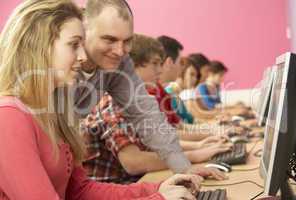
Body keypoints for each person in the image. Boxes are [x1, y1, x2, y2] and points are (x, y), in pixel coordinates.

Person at [0, 1, 202, 199]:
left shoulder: (58, 113)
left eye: (127, 41)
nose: (121, 51)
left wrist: (167, 184)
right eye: (74, 45)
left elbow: (79, 190)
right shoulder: (10, 116)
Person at [77, 0, 197, 174]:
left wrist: (185, 169)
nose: (119, 51)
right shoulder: (57, 64)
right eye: (109, 39)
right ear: (84, 32)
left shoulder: (119, 64)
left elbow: (147, 117)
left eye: (127, 41)